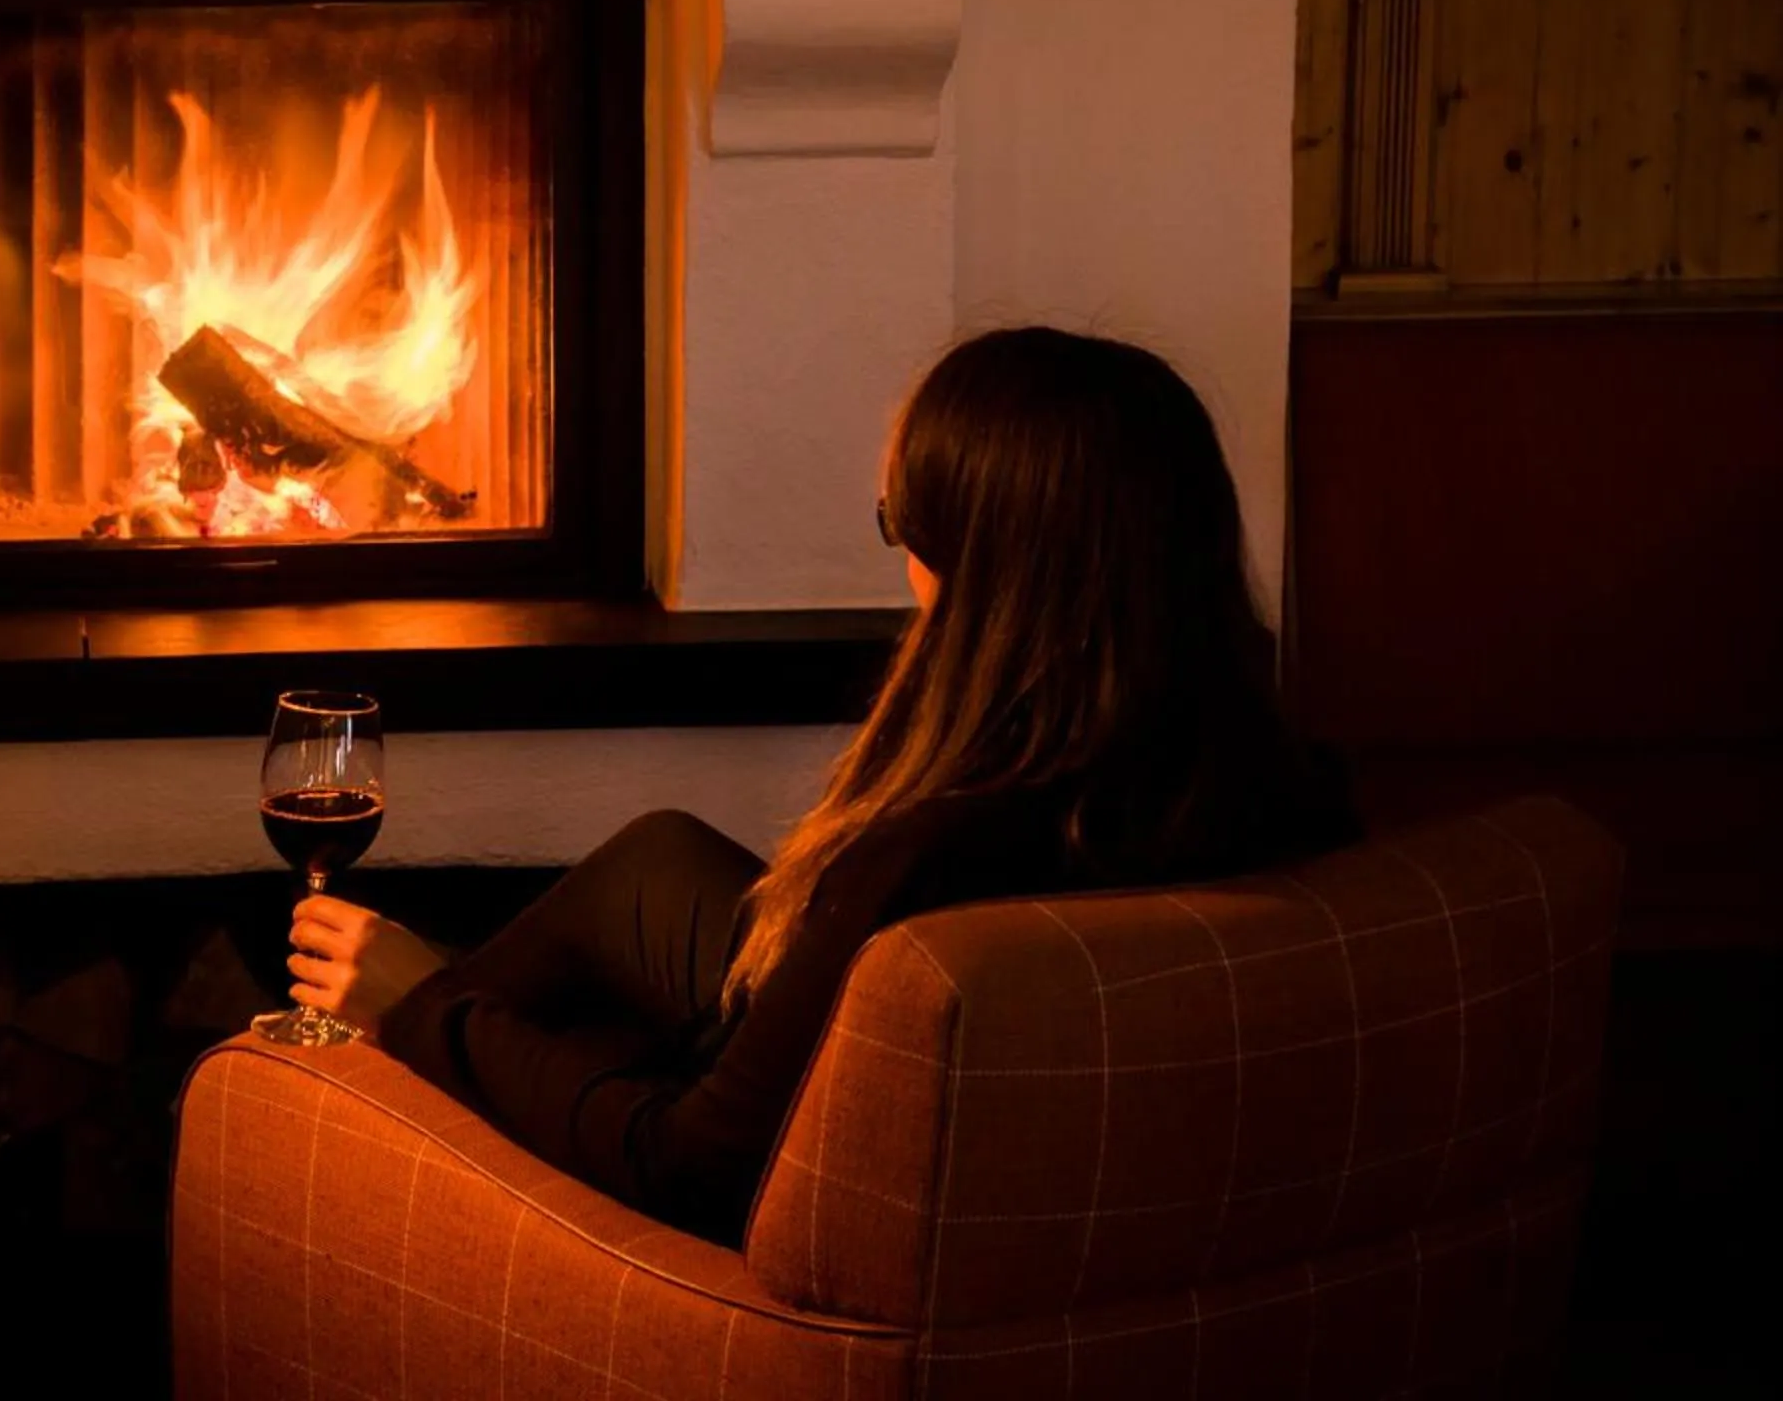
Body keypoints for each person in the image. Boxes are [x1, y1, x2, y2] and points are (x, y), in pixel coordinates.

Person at [282, 325, 1357, 1244]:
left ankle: (347, 1105)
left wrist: (430, 1006)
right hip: (1101, 1182)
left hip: (796, 1193)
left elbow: (688, 1167)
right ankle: (441, 1044)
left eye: (901, 524)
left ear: (974, 568)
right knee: (655, 859)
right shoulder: (1276, 779)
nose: (900, 560)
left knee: (468, 1021)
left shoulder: (929, 856)